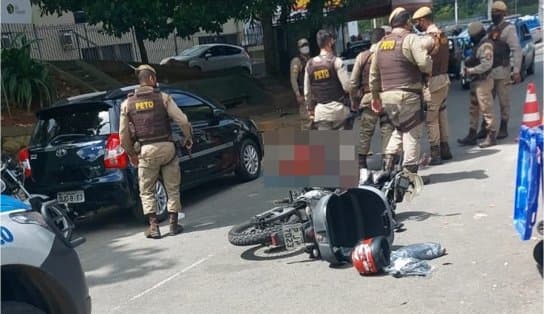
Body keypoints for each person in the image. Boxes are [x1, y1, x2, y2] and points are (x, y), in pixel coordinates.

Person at [119, 64, 194, 239]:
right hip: (167, 148)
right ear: (152, 79)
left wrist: (131, 153)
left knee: (147, 190)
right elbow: (182, 120)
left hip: (145, 150)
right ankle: (174, 224)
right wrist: (187, 137)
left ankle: (154, 227)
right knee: (172, 187)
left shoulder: (127, 103)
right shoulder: (163, 97)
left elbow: (123, 135)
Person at [369, 7, 432, 176]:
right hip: (408, 94)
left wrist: (375, 98)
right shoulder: (410, 38)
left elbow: (373, 75)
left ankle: (387, 167)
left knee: (399, 129)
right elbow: (424, 64)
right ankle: (409, 177)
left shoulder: (381, 44)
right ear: (407, 23)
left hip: (387, 97)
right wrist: (428, 59)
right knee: (412, 133)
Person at [476, 0, 522, 140]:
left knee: (504, 101)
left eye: (496, 12)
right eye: (492, 11)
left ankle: (503, 127)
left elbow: (516, 50)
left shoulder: (509, 29)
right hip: (490, 72)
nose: (493, 14)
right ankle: (486, 127)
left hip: (503, 71)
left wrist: (516, 71)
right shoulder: (490, 29)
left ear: (503, 14)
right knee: (486, 102)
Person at [412, 6, 453, 165]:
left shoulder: (429, 38)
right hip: (444, 79)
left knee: (431, 119)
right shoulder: (442, 35)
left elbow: (416, 53)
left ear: (423, 20)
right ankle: (445, 148)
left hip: (433, 82)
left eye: (418, 22)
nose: (418, 25)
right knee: (442, 115)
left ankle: (435, 152)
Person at [349, 27, 394, 169]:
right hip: (386, 97)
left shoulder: (362, 57)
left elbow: (353, 83)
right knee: (387, 129)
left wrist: (354, 101)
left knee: (365, 132)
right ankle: (388, 162)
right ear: (382, 39)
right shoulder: (387, 55)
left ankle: (362, 164)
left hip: (368, 98)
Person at [457, 22, 497, 148]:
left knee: (486, 109)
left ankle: (491, 135)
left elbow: (487, 65)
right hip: (476, 81)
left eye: (472, 36)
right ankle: (472, 134)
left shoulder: (486, 46)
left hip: (483, 81)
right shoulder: (478, 44)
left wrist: (471, 70)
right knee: (473, 109)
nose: (471, 38)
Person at [304, 29, 352, 130]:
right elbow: (347, 87)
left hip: (321, 113)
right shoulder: (337, 62)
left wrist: (310, 109)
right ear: (329, 42)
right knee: (344, 145)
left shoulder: (310, 64)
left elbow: (307, 92)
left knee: (327, 145)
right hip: (339, 111)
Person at [290, 38, 311, 130]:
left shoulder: (310, 59)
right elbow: (293, 79)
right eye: (303, 45)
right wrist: (298, 94)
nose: (305, 47)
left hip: (313, 94)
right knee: (306, 120)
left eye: (306, 44)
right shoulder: (296, 61)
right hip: (303, 94)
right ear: (299, 48)